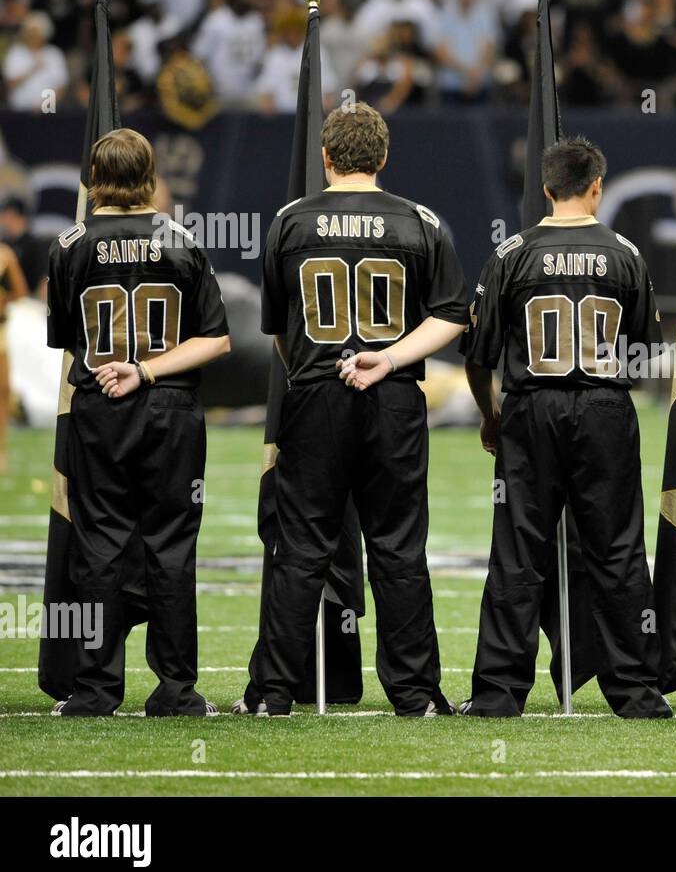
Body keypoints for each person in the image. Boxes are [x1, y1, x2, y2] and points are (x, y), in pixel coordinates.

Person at [239, 103, 469, 716]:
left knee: (302, 546)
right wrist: (389, 360)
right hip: (391, 399)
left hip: (314, 392)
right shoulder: (420, 222)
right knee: (397, 545)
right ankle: (415, 694)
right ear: (383, 157)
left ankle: (272, 694)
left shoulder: (290, 221)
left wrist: (318, 373)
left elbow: (280, 329)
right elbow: (450, 314)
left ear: (326, 158)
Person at [459, 136, 671, 719]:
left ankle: (499, 693)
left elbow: (477, 353)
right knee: (619, 551)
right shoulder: (625, 253)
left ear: (546, 189)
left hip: (531, 409)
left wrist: (489, 414)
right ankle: (635, 692)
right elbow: (646, 354)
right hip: (604, 409)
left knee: (517, 551)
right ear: (597, 186)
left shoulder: (512, 254)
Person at [46, 128, 231, 715]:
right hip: (171, 408)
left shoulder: (69, 244)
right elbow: (217, 340)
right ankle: (177, 688)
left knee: (99, 544)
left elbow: (65, 341)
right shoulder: (182, 241)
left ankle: (98, 687)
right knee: (171, 544)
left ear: (94, 178)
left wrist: (121, 369)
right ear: (150, 176)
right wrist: (149, 371)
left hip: (99, 404)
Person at [0, 234, 28, 472]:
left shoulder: (4, 255)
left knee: (3, 390)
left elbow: (20, 292)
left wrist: (3, 299)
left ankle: (1, 451)